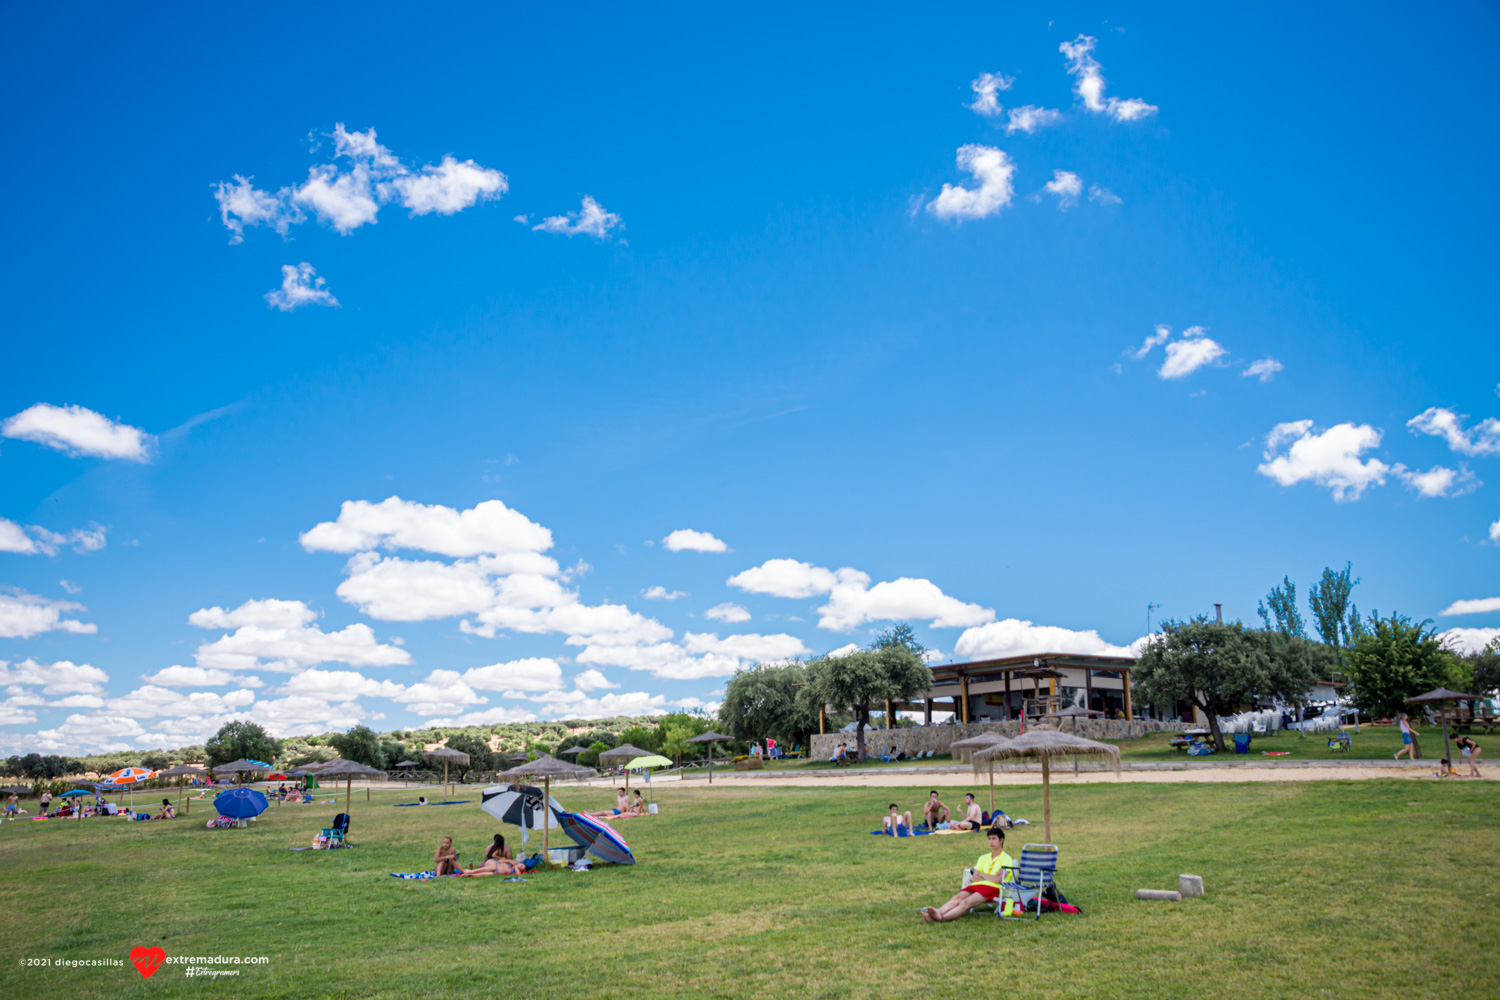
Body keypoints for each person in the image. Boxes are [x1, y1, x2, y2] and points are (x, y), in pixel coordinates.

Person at [921, 827, 1015, 922]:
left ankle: (942, 919)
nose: (991, 842)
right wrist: (989, 877)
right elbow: (974, 878)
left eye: (994, 838)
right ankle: (939, 912)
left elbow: (998, 880)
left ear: (1001, 840)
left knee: (965, 902)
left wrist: (982, 874)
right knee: (956, 897)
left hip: (993, 888)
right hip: (977, 885)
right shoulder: (983, 858)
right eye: (989, 839)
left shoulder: (1007, 859)